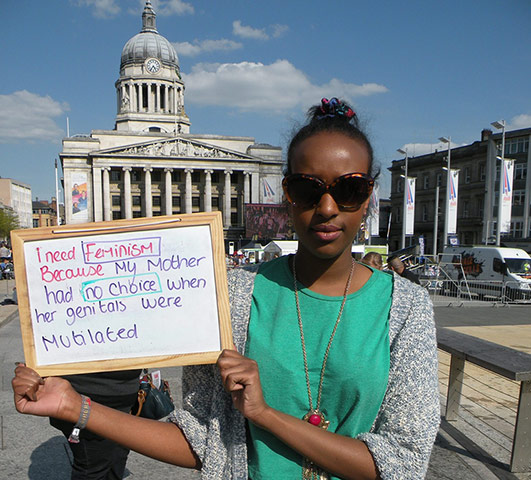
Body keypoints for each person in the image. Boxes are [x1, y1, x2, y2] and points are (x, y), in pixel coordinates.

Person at [13, 98, 439, 479]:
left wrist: (265, 415)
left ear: (368, 198)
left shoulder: (407, 308)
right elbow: (200, 440)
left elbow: (402, 464)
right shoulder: (230, 295)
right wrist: (76, 408)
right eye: (307, 189)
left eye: (349, 189)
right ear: (286, 196)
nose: (326, 208)